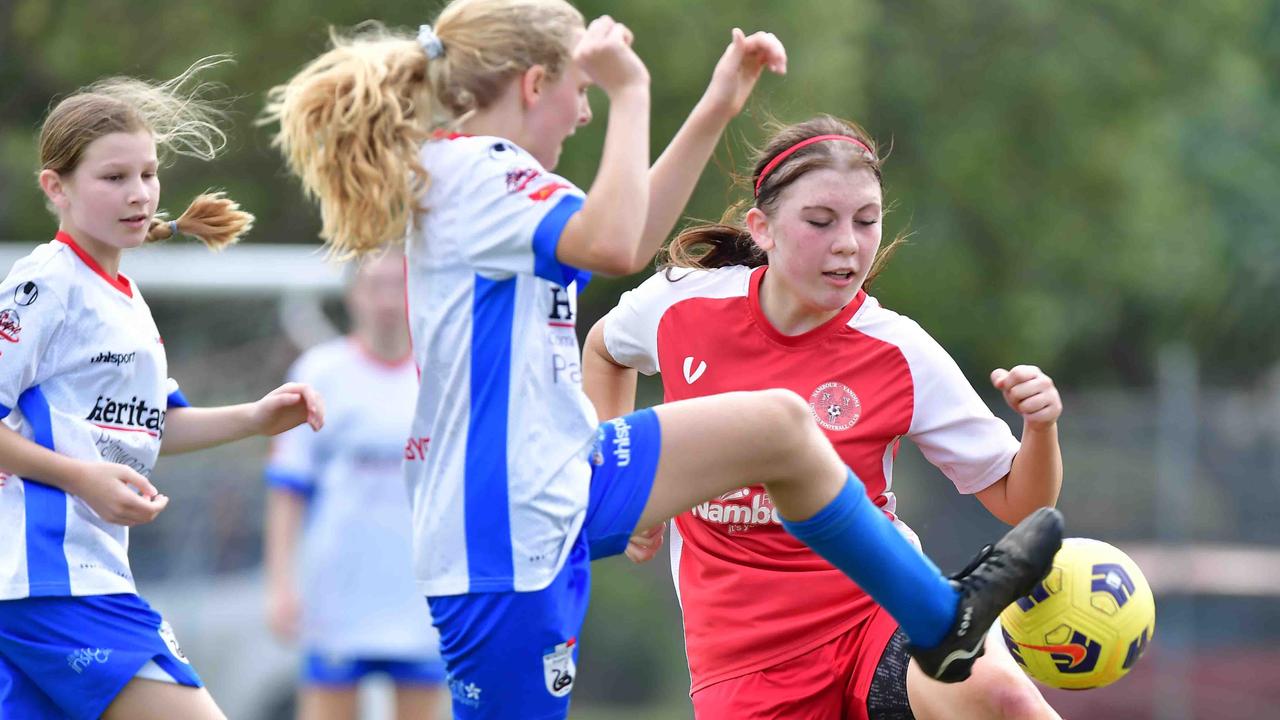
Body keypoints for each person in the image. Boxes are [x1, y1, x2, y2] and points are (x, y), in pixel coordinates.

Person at [264, 3, 1062, 717]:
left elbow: (630, 238)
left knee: (781, 427)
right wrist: (632, 90)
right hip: (499, 527)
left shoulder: (478, 175)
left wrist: (716, 106)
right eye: (581, 91)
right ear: (537, 83)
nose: (584, 113)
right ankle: (939, 615)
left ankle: (940, 617)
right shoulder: (480, 173)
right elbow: (620, 244)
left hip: (560, 473)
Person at [584, 114, 1065, 719]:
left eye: (867, 221)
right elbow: (605, 349)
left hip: (877, 610)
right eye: (821, 222)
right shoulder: (684, 304)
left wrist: (1040, 428)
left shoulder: (899, 350)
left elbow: (1021, 504)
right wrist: (621, 493)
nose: (848, 243)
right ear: (762, 228)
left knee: (999, 697)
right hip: (743, 660)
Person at [0, 58, 324, 720]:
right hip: (47, 585)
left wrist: (257, 417)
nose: (139, 193)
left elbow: (151, 430)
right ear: (55, 188)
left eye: (147, 174)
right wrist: (80, 478)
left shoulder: (122, 297)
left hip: (79, 578)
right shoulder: (45, 286)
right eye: (114, 177)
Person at [264, 252, 447, 720]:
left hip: (420, 592)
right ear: (352, 295)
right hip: (337, 593)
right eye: (374, 285)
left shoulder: (443, 373)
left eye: (397, 285)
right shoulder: (320, 372)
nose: (386, 299)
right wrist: (282, 584)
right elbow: (287, 489)